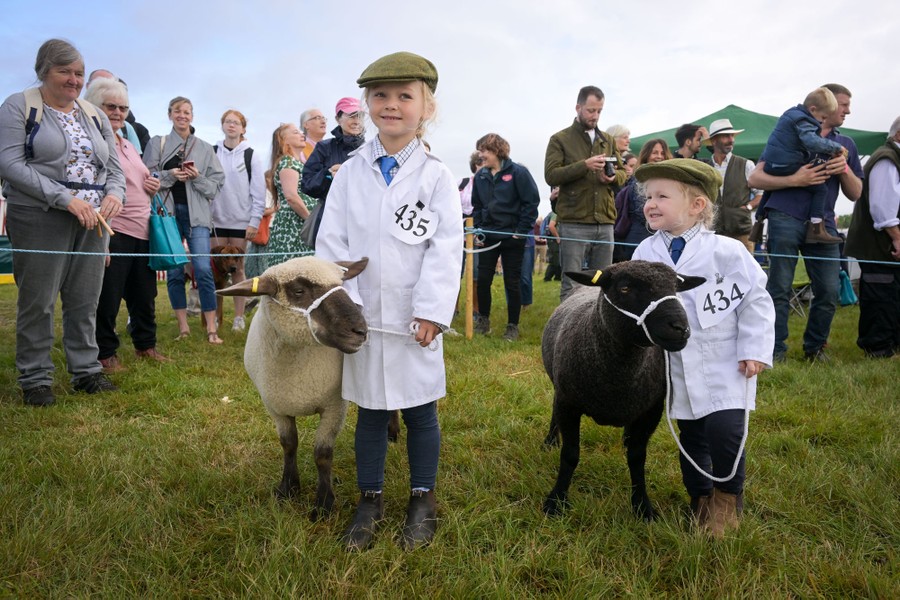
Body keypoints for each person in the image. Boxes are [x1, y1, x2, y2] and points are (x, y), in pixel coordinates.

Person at [316, 51, 463, 551]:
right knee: (371, 410)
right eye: (381, 96)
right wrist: (347, 307)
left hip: (413, 319)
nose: (392, 105)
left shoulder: (436, 176)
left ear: (427, 107)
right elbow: (331, 245)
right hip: (363, 318)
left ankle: (422, 498)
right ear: (366, 104)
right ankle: (370, 499)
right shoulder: (350, 173)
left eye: (405, 96)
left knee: (420, 409)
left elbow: (444, 250)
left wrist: (431, 310)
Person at [631, 159, 774, 537]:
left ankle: (727, 498)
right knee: (692, 434)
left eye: (662, 195)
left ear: (697, 206)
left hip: (727, 360)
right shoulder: (645, 252)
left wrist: (755, 348)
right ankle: (699, 498)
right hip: (675, 364)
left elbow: (756, 300)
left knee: (726, 432)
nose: (651, 203)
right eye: (648, 196)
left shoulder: (727, 251)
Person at [0, 39, 126, 405]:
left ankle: (86, 371)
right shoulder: (18, 106)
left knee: (85, 299)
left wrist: (115, 194)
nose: (73, 80)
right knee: (37, 301)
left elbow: (113, 166)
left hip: (94, 218)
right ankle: (36, 378)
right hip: (40, 214)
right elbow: (9, 165)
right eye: (65, 71)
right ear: (44, 71)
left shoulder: (94, 114)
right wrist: (64, 199)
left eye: (79, 73)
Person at [748, 83, 864, 363]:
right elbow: (755, 179)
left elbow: (856, 192)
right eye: (843, 105)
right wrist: (794, 180)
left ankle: (815, 348)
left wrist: (844, 169)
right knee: (779, 287)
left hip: (823, 223)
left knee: (829, 290)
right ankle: (775, 351)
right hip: (783, 216)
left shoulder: (846, 145)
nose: (848, 110)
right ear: (826, 106)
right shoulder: (790, 132)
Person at [84, 78, 169, 372]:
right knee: (107, 297)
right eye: (111, 107)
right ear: (95, 106)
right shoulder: (92, 139)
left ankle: (146, 346)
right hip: (113, 229)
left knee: (144, 296)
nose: (119, 113)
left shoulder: (128, 143)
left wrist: (152, 183)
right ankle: (105, 353)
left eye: (123, 108)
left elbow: (137, 179)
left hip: (142, 229)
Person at [143, 96, 225, 344]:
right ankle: (183, 328)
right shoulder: (158, 143)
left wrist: (196, 177)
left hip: (197, 215)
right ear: (170, 114)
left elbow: (215, 187)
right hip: (166, 215)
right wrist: (170, 175)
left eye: (187, 112)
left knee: (202, 269)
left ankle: (212, 328)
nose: (182, 115)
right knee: (175, 271)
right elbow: (146, 178)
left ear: (192, 116)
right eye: (178, 111)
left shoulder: (205, 148)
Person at [545, 85, 628, 302]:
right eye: (591, 110)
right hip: (574, 220)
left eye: (599, 111)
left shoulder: (608, 140)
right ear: (578, 107)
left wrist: (612, 178)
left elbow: (622, 175)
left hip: (605, 221)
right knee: (571, 282)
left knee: (604, 282)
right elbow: (551, 175)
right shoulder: (559, 139)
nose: (595, 116)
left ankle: (596, 330)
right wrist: (585, 165)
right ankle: (565, 332)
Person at [752, 88, 847, 245]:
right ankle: (817, 227)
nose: (822, 122)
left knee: (771, 188)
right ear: (813, 109)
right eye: (822, 117)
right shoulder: (804, 121)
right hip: (785, 162)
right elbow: (812, 142)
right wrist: (836, 148)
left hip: (772, 163)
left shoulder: (791, 114)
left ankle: (759, 221)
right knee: (820, 189)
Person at [471, 133, 540, 341]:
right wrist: (480, 229)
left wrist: (520, 231)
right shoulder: (481, 177)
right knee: (483, 280)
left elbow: (531, 202)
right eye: (480, 150)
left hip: (512, 237)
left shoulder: (518, 172)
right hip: (488, 237)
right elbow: (478, 206)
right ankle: (483, 320)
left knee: (512, 281)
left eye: (484, 150)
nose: (480, 154)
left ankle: (512, 326)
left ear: (496, 151)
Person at [845, 117, 900, 359]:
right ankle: (877, 349)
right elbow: (882, 208)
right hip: (880, 244)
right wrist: (897, 238)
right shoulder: (886, 159)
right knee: (880, 296)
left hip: (885, 243)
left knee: (892, 295)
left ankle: (891, 345)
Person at [211, 109, 266, 331]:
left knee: (238, 269)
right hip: (215, 221)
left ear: (243, 128)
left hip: (241, 222)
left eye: (236, 123)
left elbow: (258, 191)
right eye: (228, 122)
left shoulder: (250, 154)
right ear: (222, 125)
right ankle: (214, 317)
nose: (231, 125)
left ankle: (239, 317)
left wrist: (254, 221)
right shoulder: (212, 151)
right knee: (216, 271)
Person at [300, 97, 366, 246]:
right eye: (351, 115)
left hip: (364, 220)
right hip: (330, 220)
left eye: (360, 116)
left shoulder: (370, 148)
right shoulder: (325, 147)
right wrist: (328, 174)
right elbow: (307, 184)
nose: (356, 121)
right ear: (338, 119)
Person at [703, 119, 763, 252]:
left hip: (741, 231)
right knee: (715, 271)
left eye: (732, 136)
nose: (731, 140)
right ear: (714, 141)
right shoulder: (705, 168)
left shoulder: (746, 164)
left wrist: (748, 207)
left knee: (745, 272)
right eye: (726, 136)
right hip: (712, 232)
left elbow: (761, 194)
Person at [265, 123, 316, 268]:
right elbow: (291, 196)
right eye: (295, 132)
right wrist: (311, 220)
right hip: (293, 228)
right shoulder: (287, 162)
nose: (302, 134)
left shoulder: (296, 162)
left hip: (299, 225)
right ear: (284, 140)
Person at [613, 138, 672, 262]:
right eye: (655, 153)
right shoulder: (640, 179)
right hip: (641, 236)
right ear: (646, 155)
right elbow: (642, 211)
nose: (659, 156)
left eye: (662, 153)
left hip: (661, 235)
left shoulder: (669, 180)